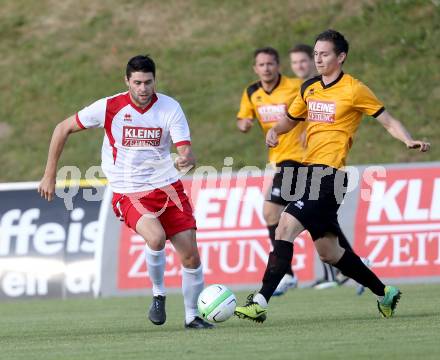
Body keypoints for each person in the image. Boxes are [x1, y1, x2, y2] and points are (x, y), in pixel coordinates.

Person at [235, 30, 430, 322]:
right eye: (315, 54)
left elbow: (387, 120)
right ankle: (384, 292)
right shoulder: (310, 87)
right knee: (328, 252)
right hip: (307, 171)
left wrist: (407, 140)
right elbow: (291, 118)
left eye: (324, 54)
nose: (318, 59)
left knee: (284, 227)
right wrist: (276, 130)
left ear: (341, 57)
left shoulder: (354, 89)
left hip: (330, 176)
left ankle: (260, 301)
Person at [38, 55, 213, 329]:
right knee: (155, 238)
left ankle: (193, 316)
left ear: (156, 80)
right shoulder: (109, 106)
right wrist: (49, 174)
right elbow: (62, 129)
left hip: (168, 188)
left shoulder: (170, 107)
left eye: (148, 82)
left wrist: (186, 159)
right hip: (128, 191)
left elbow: (186, 151)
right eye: (138, 83)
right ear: (127, 82)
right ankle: (158, 294)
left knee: (191, 255)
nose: (143, 89)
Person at [236, 47, 306, 295]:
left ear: (278, 66)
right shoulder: (252, 92)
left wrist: (309, 131)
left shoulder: (295, 86)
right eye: (261, 65)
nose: (266, 68)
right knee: (310, 220)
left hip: (298, 157)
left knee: (271, 211)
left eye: (270, 64)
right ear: (255, 68)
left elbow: (313, 110)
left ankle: (284, 274)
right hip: (278, 159)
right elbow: (243, 119)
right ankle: (352, 262)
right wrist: (244, 124)